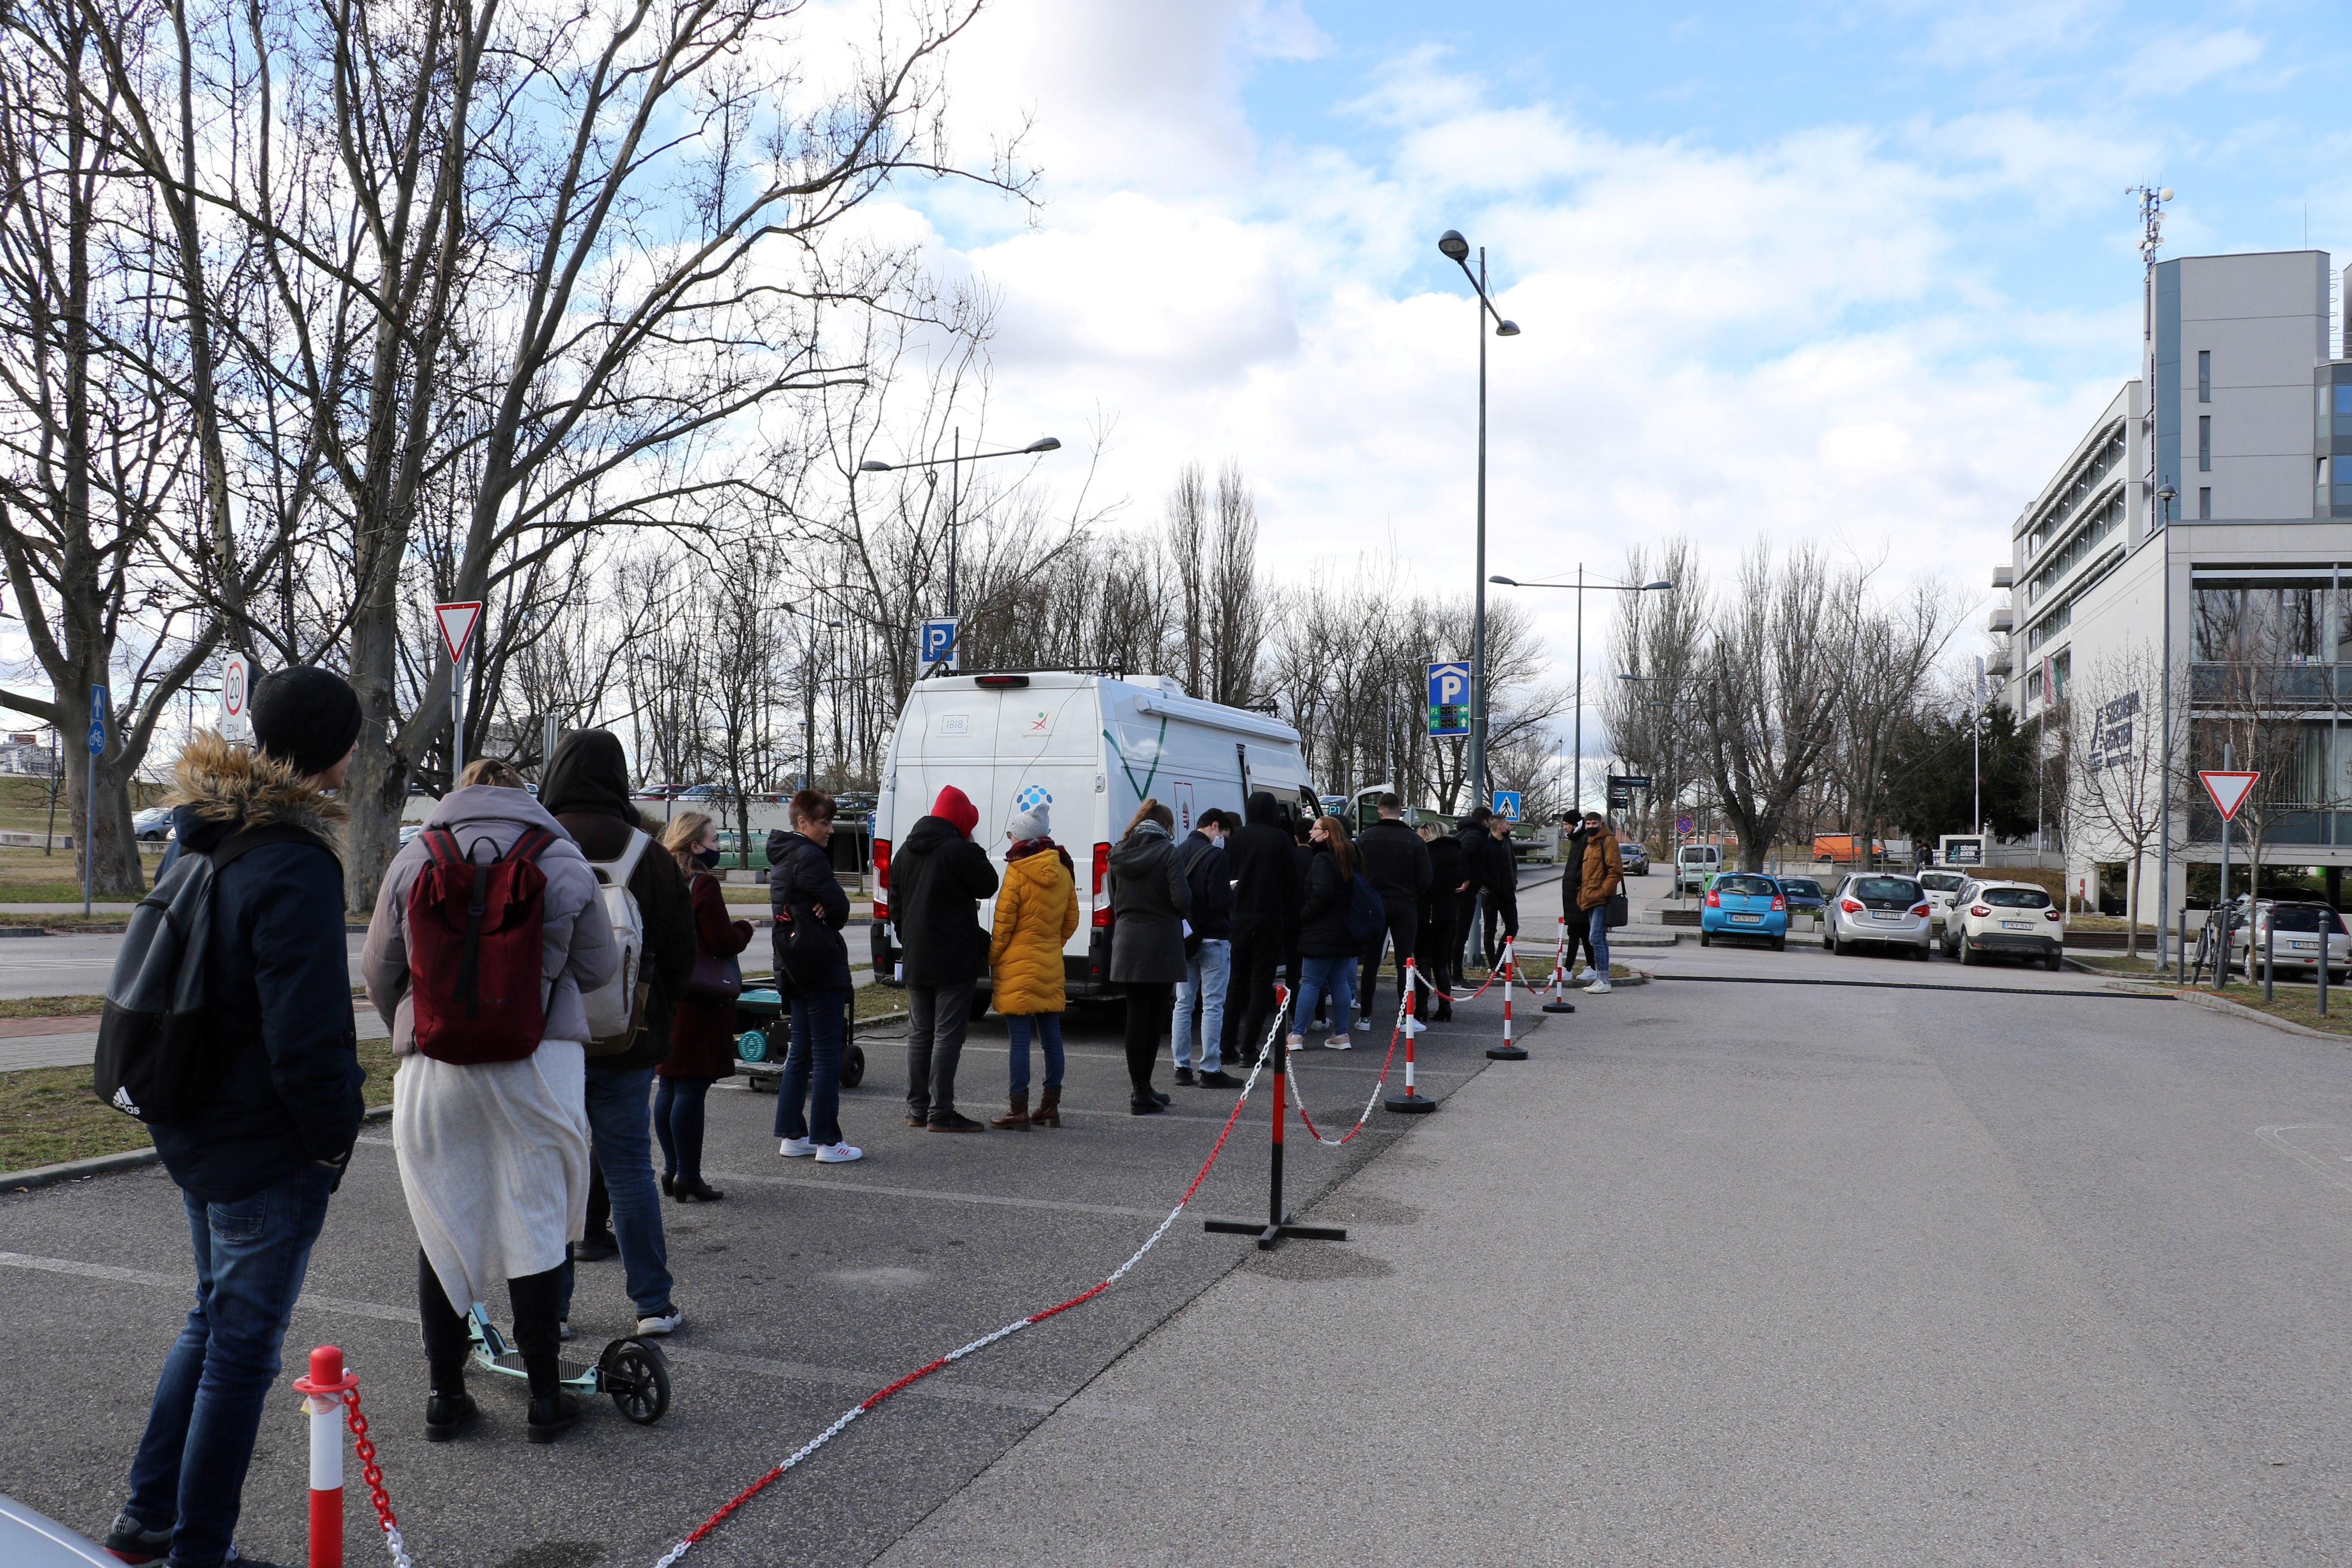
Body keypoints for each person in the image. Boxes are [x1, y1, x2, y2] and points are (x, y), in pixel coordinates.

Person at [107, 669, 366, 1568]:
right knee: (242, 1352)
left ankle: (149, 1519)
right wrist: (334, 1139)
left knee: (211, 1323)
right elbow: (309, 1031)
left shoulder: (205, 836)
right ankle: (198, 1551)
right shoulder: (292, 859)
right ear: (333, 748)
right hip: (261, 1144)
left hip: (194, 1119)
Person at [364, 755, 618, 1446]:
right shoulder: (562, 860)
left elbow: (378, 971)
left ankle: (445, 1396)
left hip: (434, 1065)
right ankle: (543, 1398)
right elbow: (598, 969)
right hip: (537, 1063)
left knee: (444, 1220)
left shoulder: (416, 855)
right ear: (524, 798)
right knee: (535, 1221)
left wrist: (420, 1020)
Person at [540, 729, 693, 1338]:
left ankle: (551, 1312)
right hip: (626, 1041)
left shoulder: (537, 845)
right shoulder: (648, 855)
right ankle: (653, 1304)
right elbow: (681, 954)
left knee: (557, 1174)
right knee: (629, 1170)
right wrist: (655, 1014)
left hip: (550, 1040)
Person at [655, 812, 752, 1202]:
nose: (718, 848)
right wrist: (746, 928)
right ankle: (689, 1176)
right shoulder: (704, 884)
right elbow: (722, 940)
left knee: (669, 1084)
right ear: (695, 845)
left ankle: (670, 1169)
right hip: (701, 1000)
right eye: (714, 841)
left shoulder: (660, 877)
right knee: (692, 1088)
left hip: (667, 993)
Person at [894, 784, 998, 1130]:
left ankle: (917, 1110)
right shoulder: (958, 850)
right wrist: (974, 847)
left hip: (916, 956)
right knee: (948, 1035)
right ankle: (941, 1112)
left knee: (921, 1034)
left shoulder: (904, 853)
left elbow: (895, 907)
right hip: (954, 959)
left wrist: (908, 940)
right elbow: (988, 883)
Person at [768, 789, 861, 1161]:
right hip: (819, 966)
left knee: (800, 1054)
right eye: (824, 823)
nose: (831, 831)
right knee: (825, 1055)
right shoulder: (809, 856)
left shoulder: (783, 856)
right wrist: (833, 904)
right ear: (803, 823)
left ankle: (793, 1134)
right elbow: (839, 909)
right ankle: (827, 1140)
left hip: (794, 967)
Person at [987, 798, 1079, 1127]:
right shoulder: (1064, 868)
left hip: (1017, 967)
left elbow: (1003, 924)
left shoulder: (1016, 871)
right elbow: (1071, 921)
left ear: (1023, 836)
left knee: (1020, 1041)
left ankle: (1018, 1109)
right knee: (1052, 1037)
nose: (1009, 839)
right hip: (1050, 962)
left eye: (1012, 834)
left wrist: (994, 958)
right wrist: (1051, 946)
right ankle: (1050, 1106)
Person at [1107, 797, 1191, 1113]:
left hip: (1127, 941)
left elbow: (1115, 900)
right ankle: (1144, 1090)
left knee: (1136, 1016)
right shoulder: (1168, 852)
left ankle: (1140, 1088)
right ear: (1166, 826)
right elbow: (1182, 899)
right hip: (1161, 943)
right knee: (1155, 1018)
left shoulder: (1118, 853)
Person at [1221, 791, 1302, 1068]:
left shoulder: (1236, 839)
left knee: (1236, 984)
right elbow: (1294, 881)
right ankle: (1249, 1049)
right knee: (1260, 985)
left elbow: (1226, 876)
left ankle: (1226, 1046)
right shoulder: (1279, 839)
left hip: (1239, 919)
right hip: (1268, 919)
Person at [1172, 808, 1239, 1087]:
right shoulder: (1217, 857)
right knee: (1212, 1005)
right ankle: (1210, 1068)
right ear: (1215, 826)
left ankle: (1182, 1067)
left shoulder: (1176, 852)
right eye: (1223, 833)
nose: (1223, 839)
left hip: (1185, 938)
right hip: (1213, 937)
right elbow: (1218, 901)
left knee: (1183, 1004)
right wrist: (1231, 892)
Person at [1354, 793, 1430, 1024]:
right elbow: (1426, 878)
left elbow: (1356, 874)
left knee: (1371, 962)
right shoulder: (1414, 841)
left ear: (1379, 811)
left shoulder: (1365, 839)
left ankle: (1365, 1016)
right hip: (1405, 904)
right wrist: (1412, 894)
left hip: (1374, 905)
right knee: (1405, 961)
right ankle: (1405, 1016)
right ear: (1401, 810)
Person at [1289, 815, 1363, 1049]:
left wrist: (1304, 915)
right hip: (1345, 930)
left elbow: (1322, 894)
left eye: (1315, 829)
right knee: (1340, 982)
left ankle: (1297, 1035)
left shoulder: (1322, 859)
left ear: (1327, 834)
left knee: (1310, 982)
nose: (1311, 833)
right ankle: (1341, 1035)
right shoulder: (1350, 857)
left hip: (1321, 931)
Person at [1578, 809, 1627, 995]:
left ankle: (1604, 980)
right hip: (1589, 897)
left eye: (1594, 824)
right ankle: (1602, 978)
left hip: (1600, 898)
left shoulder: (1609, 841)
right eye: (1588, 824)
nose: (1591, 827)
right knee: (1600, 938)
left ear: (1601, 824)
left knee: (1595, 938)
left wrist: (1603, 892)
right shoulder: (1590, 843)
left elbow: (1616, 871)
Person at [1416, 820, 1461, 1021]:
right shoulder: (1456, 853)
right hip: (1449, 910)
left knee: (1423, 960)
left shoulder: (1426, 854)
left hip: (1427, 911)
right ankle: (1445, 1006)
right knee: (1442, 962)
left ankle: (1422, 1007)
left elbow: (1421, 883)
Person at [1454, 807, 1496, 972]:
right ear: (1485, 821)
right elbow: (1463, 854)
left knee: (1457, 935)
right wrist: (1465, 878)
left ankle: (1453, 974)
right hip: (1466, 892)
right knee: (1460, 936)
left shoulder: (1466, 832)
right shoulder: (1475, 835)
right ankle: (1456, 975)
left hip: (1464, 890)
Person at [1559, 811, 1598, 982]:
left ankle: (1567, 970)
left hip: (1579, 894)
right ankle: (1592, 967)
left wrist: (1577, 883)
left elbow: (1586, 868)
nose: (1564, 827)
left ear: (1576, 825)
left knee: (1575, 931)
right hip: (1574, 894)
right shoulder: (1577, 841)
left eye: (1566, 824)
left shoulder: (1584, 841)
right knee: (1583, 932)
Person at [1484, 813, 1522, 967]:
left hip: (1508, 893)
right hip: (1491, 894)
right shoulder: (1487, 844)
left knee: (1513, 927)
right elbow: (1483, 872)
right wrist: (1495, 886)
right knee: (1490, 930)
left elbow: (1512, 863)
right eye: (1507, 824)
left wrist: (1514, 881)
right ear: (1500, 826)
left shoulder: (1507, 842)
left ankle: (1499, 961)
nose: (1509, 827)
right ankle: (1493, 966)